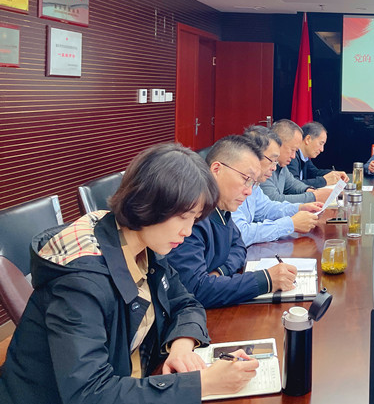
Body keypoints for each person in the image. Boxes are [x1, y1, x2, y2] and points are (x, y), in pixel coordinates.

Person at [0, 143, 259, 403]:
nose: (188, 231)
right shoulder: (81, 282)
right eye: (184, 217)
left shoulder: (145, 245)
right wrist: (202, 384)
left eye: (194, 219)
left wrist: (182, 343)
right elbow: (90, 393)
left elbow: (186, 302)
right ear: (149, 202)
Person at [167, 135, 297, 308]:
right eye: (246, 179)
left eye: (252, 183)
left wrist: (220, 272)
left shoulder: (222, 209)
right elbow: (195, 290)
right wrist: (266, 280)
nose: (249, 191)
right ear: (216, 169)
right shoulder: (190, 217)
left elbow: (239, 246)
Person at [233, 125, 322, 246]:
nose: (274, 167)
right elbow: (240, 234)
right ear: (252, 156)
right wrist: (290, 224)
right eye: (272, 160)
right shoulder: (232, 185)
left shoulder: (253, 184)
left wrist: (299, 208)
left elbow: (266, 208)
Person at [261, 119, 331, 203]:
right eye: (292, 150)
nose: (293, 156)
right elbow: (274, 200)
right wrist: (313, 196)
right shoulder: (264, 166)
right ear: (278, 144)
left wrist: (308, 190)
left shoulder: (281, 165)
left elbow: (292, 184)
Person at [288, 121, 349, 188]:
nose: (322, 149)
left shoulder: (304, 157)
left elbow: (314, 172)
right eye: (320, 143)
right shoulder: (291, 157)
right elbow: (294, 185)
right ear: (308, 139)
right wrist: (324, 181)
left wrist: (334, 174)